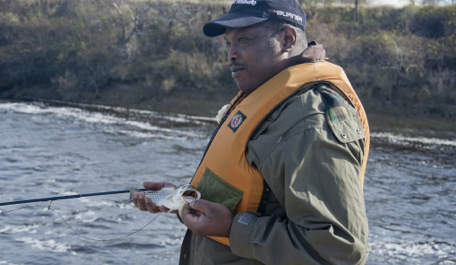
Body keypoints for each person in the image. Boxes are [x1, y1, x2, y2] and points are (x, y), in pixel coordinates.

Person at [133, 0, 371, 264]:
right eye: (229, 43)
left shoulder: (309, 121)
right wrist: (180, 199)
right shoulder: (272, 100)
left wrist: (232, 228)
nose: (231, 54)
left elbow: (338, 251)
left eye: (243, 40)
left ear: (287, 39)